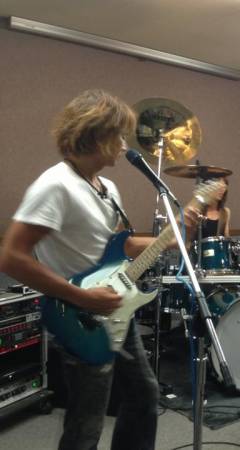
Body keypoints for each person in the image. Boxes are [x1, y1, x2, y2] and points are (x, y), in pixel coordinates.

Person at [0, 89, 203, 450]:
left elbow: (116, 247)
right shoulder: (55, 186)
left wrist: (168, 241)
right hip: (78, 316)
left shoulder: (106, 187)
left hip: (114, 307)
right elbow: (12, 257)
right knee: (87, 421)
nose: (124, 145)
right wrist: (83, 298)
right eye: (119, 135)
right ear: (96, 135)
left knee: (143, 395)